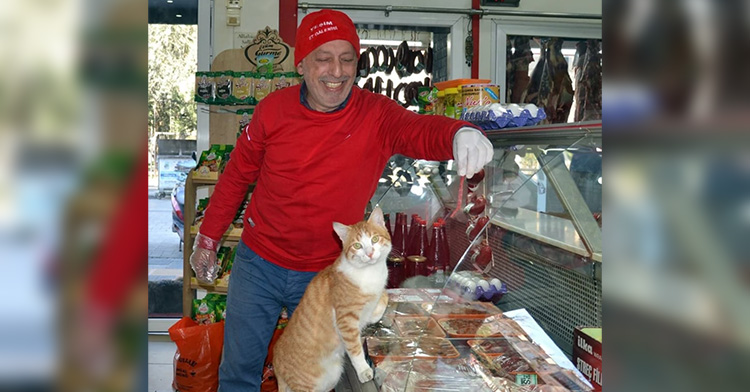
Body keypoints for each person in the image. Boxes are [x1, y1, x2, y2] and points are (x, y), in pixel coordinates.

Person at [189, 9, 493, 391]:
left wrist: (458, 133)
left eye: (347, 59)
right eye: (324, 58)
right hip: (259, 264)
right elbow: (236, 177)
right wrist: (208, 239)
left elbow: (419, 130)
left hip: (327, 275)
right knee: (237, 375)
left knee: (318, 378)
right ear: (301, 64)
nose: (337, 71)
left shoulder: (376, 114)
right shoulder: (272, 111)